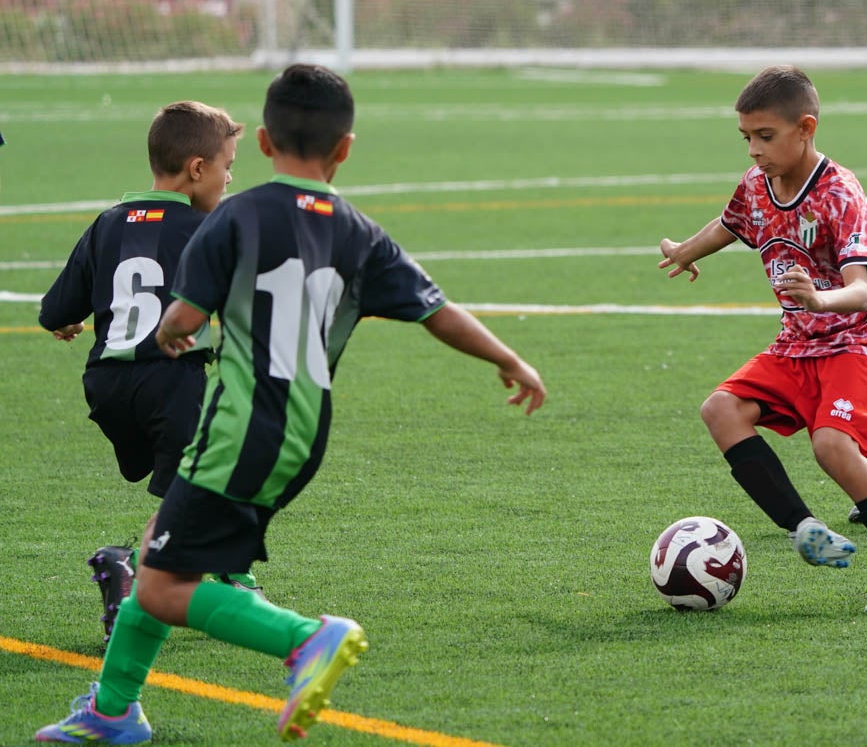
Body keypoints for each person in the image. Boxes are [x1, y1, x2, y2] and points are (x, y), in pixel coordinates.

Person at [37, 64, 549, 745]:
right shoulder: (360, 231)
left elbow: (184, 319)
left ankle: (304, 638)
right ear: (344, 149)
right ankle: (113, 710)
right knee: (165, 549)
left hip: (238, 425)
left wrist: (171, 330)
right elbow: (437, 312)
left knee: (159, 586)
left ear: (269, 142)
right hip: (302, 432)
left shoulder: (233, 217)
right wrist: (508, 359)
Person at [658, 65, 867, 614]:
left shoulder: (840, 193)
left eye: (765, 136)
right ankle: (802, 527)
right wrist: (686, 252)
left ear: (806, 128)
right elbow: (731, 224)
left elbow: (862, 292)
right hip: (797, 342)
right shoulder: (757, 185)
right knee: (721, 409)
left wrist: (819, 299)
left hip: (853, 341)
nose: (753, 150)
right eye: (746, 137)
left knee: (832, 447)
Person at [38, 100, 245, 643]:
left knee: (201, 477)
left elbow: (54, 312)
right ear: (197, 169)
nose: (230, 178)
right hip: (171, 384)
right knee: (224, 467)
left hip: (106, 387)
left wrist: (69, 323)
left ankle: (207, 568)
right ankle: (142, 572)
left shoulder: (107, 223)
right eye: (227, 165)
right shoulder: (209, 228)